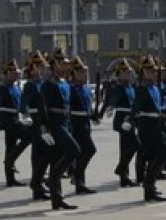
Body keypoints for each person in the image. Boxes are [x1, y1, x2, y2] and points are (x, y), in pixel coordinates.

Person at [40, 49, 81, 210]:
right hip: (55, 125)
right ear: (55, 64)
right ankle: (52, 179)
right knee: (75, 151)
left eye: (66, 63)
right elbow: (42, 107)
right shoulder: (48, 85)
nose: (65, 66)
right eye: (63, 63)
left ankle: (57, 199)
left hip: (64, 123)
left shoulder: (65, 84)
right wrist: (44, 129)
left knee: (57, 160)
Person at [130, 55, 166, 202]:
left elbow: (158, 107)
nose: (153, 73)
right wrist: (130, 122)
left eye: (154, 70)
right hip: (147, 127)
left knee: (157, 155)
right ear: (144, 72)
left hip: (156, 125)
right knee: (164, 153)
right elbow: (135, 107)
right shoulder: (143, 89)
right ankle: (148, 184)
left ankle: (150, 189)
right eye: (150, 70)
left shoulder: (155, 88)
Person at [103, 59, 140, 188]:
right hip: (122, 120)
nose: (130, 75)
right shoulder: (118, 87)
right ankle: (121, 170)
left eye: (131, 73)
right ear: (122, 74)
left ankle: (124, 176)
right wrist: (110, 107)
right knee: (134, 145)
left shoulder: (130, 87)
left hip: (130, 119)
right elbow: (113, 99)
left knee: (125, 148)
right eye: (128, 73)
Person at [21, 51, 51, 201]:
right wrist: (26, 115)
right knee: (39, 153)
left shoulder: (42, 84)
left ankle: (39, 183)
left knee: (42, 153)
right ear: (32, 69)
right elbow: (23, 103)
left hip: (43, 120)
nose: (42, 68)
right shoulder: (30, 85)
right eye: (39, 66)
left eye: (43, 66)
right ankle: (37, 185)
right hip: (35, 121)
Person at [0, 58, 31, 187]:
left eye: (16, 72)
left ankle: (10, 178)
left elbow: (21, 104)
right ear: (6, 73)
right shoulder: (3, 88)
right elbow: (1, 103)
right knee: (28, 137)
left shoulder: (16, 88)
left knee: (10, 147)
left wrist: (25, 115)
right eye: (12, 72)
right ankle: (10, 160)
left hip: (16, 118)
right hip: (8, 120)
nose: (16, 74)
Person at [68, 56, 98, 195]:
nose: (84, 75)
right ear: (73, 74)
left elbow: (87, 107)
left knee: (82, 154)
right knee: (89, 150)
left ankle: (80, 184)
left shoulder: (85, 89)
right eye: (80, 72)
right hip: (76, 123)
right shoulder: (71, 89)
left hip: (85, 122)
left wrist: (94, 115)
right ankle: (75, 174)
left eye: (84, 72)